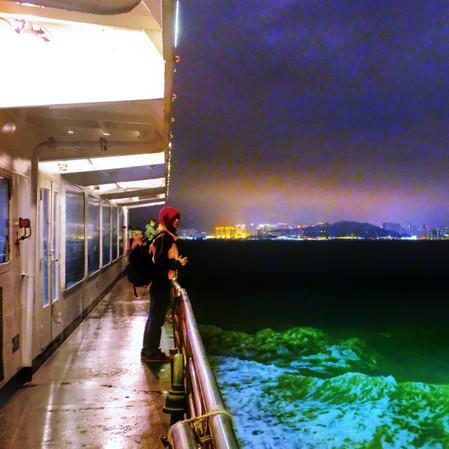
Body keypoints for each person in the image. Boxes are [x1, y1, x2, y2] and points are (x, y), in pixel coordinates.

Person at [141, 206, 188, 363]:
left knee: (155, 317)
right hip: (160, 283)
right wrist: (177, 263)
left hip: (158, 283)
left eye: (178, 218)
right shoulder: (165, 238)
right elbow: (161, 263)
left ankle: (149, 350)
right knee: (156, 318)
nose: (177, 221)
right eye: (174, 218)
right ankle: (151, 353)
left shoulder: (161, 235)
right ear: (167, 219)